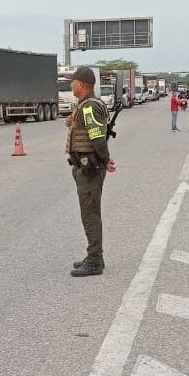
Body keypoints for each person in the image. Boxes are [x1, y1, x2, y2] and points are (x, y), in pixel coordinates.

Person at [64, 66, 115, 277]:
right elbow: (90, 131)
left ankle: (95, 260)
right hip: (84, 166)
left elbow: (97, 138)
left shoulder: (89, 107)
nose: (70, 85)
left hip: (90, 168)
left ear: (81, 84)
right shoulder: (84, 107)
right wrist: (72, 122)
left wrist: (106, 160)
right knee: (89, 213)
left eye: (72, 81)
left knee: (90, 215)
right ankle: (93, 255)